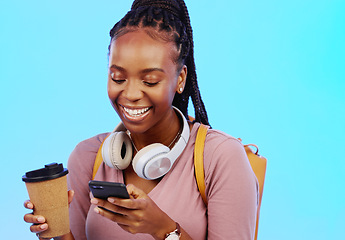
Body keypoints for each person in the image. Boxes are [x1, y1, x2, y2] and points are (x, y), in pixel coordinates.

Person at [23, 0, 258, 239]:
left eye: (150, 81)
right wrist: (56, 229)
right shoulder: (87, 157)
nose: (131, 94)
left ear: (180, 79)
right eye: (117, 78)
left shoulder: (221, 158)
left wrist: (164, 229)